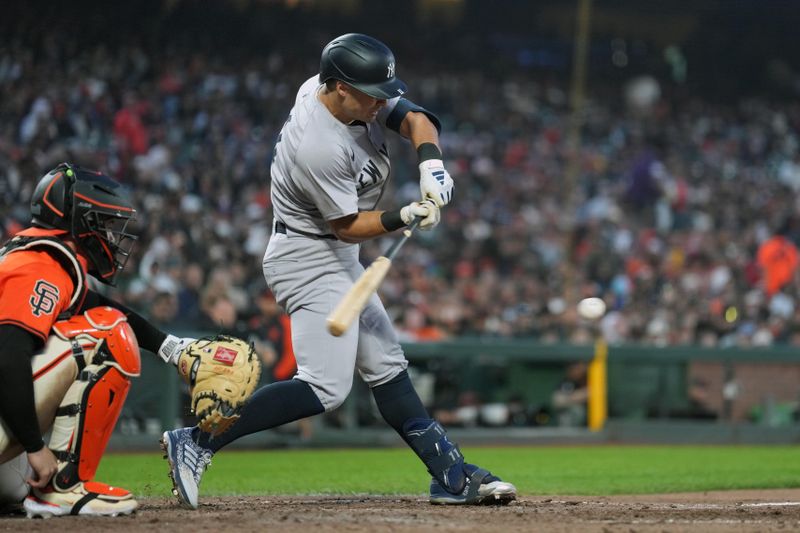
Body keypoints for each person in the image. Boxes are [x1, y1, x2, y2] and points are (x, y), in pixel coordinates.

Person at [162, 33, 516, 508]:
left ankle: (450, 474)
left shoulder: (348, 96)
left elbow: (415, 117)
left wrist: (431, 163)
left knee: (387, 366)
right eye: (371, 93)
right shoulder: (319, 144)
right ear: (339, 88)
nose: (382, 102)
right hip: (307, 256)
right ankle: (198, 441)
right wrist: (402, 216)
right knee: (325, 386)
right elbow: (347, 226)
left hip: (334, 254)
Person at [0, 163, 195, 517]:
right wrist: (33, 445)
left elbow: (103, 304)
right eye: (103, 223)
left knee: (16, 484)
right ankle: (64, 489)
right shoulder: (39, 265)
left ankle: (45, 486)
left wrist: (173, 349)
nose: (110, 235)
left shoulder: (35, 257)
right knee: (108, 333)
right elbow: (9, 355)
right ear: (80, 222)